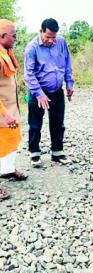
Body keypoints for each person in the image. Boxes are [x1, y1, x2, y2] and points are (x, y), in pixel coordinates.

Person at [24, 18, 74, 168]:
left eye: (54, 37)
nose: (52, 41)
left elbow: (67, 63)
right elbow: (28, 74)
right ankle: (34, 153)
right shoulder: (32, 48)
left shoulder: (61, 42)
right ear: (41, 32)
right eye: (48, 37)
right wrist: (39, 94)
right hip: (38, 91)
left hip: (57, 90)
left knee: (58, 122)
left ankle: (57, 152)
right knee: (35, 124)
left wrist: (69, 83)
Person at [0, 19, 28, 200]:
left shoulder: (6, 53)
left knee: (12, 140)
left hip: (11, 109)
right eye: (13, 35)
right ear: (2, 36)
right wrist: (2, 114)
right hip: (2, 112)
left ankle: (7, 170)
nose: (16, 38)